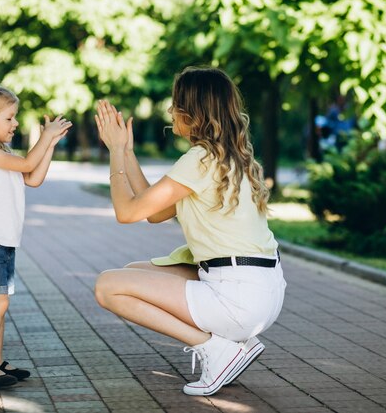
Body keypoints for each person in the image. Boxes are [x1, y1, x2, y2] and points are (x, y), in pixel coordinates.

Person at [93, 66, 286, 396]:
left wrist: (112, 153)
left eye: (175, 104)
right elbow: (154, 213)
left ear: (192, 114)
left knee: (108, 287)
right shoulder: (229, 155)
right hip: (262, 292)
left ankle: (215, 349)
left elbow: (127, 212)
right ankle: (236, 343)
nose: (170, 111)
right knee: (132, 273)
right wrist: (126, 150)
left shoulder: (199, 159)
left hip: (237, 299)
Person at [0, 82, 72, 388]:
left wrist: (50, 144)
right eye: (9, 118)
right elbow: (27, 164)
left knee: (0, 303)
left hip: (1, 241)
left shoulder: (0, 152)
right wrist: (43, 138)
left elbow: (33, 177)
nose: (15, 123)